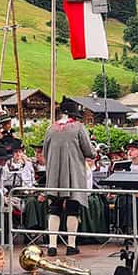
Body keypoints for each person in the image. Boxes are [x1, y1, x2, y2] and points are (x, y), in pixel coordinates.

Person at [44, 99, 95, 256]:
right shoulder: (79, 128)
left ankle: (52, 246)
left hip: (54, 174)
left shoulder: (50, 129)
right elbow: (89, 151)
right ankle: (71, 246)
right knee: (73, 208)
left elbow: (45, 152)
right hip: (73, 173)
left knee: (55, 208)